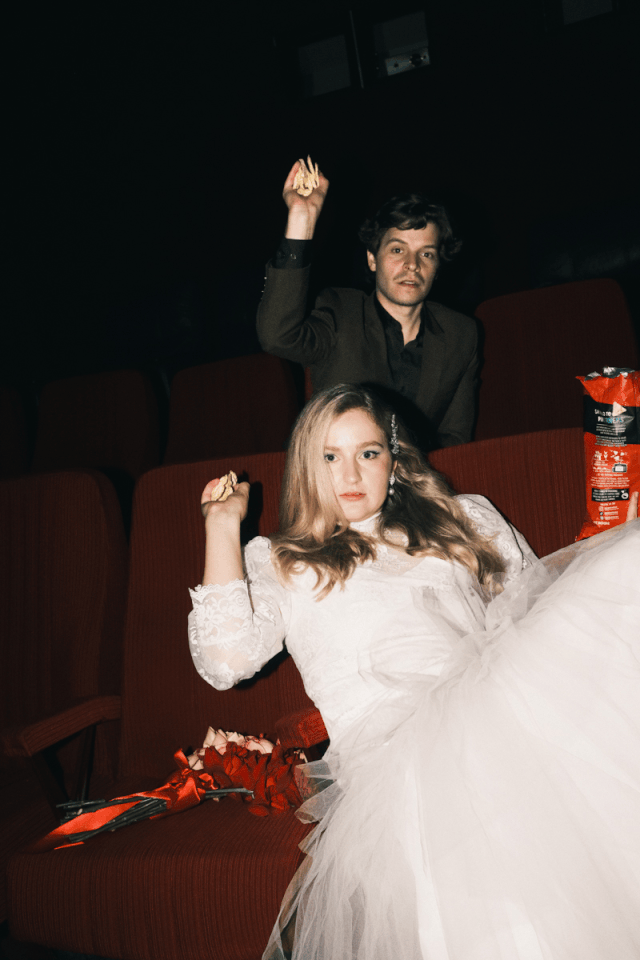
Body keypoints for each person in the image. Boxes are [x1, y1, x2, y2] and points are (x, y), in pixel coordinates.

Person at [188, 383, 640, 960]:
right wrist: (222, 526)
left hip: (494, 708)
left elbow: (530, 606)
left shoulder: (462, 517)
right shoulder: (280, 559)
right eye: (330, 456)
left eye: (368, 453)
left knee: (628, 560)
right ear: (306, 466)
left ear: (393, 460)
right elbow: (226, 663)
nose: (350, 473)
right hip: (389, 755)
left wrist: (608, 543)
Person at [256, 161, 479, 450]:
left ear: (437, 267)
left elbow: (456, 440)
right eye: (397, 250)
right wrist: (302, 218)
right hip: (334, 481)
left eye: (426, 254)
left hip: (415, 484)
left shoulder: (462, 334)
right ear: (372, 259)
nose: (412, 265)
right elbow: (276, 336)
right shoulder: (340, 311)